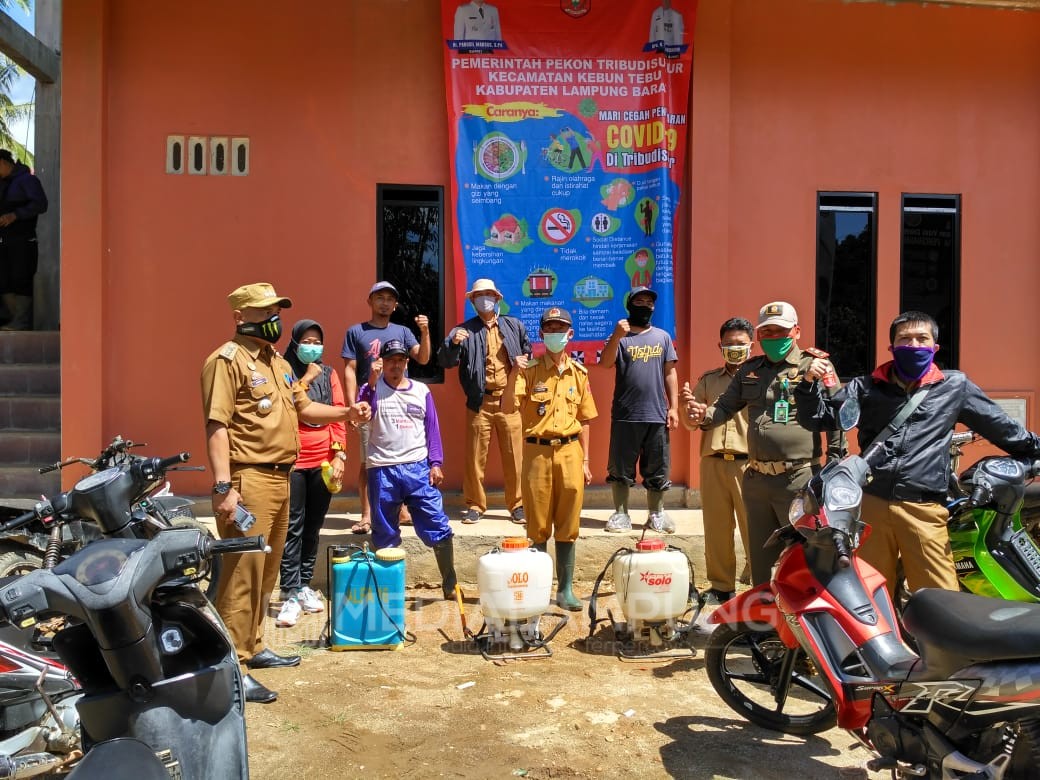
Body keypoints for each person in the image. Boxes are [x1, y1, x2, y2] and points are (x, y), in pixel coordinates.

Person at [201, 282, 370, 704]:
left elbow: (304, 408)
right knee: (241, 574)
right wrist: (223, 487)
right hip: (247, 479)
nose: (274, 318)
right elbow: (217, 426)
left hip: (281, 478)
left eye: (276, 309)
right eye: (265, 311)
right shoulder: (227, 361)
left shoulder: (276, 362)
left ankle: (255, 646)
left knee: (268, 570)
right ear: (240, 316)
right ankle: (232, 669)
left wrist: (346, 413)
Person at [796, 310, 1040, 597]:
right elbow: (819, 419)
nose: (913, 345)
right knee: (873, 595)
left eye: (921, 339)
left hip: (923, 509)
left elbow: (1005, 430)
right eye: (905, 339)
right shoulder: (866, 388)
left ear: (934, 347)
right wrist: (808, 385)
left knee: (941, 598)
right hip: (871, 505)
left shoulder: (955, 387)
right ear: (892, 347)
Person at [683, 301, 844, 587]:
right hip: (756, 479)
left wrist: (834, 466)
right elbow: (723, 409)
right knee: (761, 558)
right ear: (759, 337)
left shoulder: (815, 365)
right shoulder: (750, 370)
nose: (773, 338)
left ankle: (806, 622)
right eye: (767, 332)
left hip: (798, 479)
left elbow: (837, 417)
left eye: (780, 331)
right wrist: (702, 415)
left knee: (806, 555)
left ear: (796, 331)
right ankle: (761, 626)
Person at [502, 307, 598, 612]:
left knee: (568, 522)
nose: (555, 333)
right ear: (542, 334)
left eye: (561, 328)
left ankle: (566, 589)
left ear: (570, 335)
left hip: (571, 452)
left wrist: (585, 461)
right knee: (538, 524)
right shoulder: (529, 371)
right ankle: (539, 588)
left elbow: (585, 419)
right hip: (537, 452)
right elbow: (507, 407)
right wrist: (512, 373)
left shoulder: (580, 374)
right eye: (550, 328)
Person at [359, 339, 457, 599]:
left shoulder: (421, 391)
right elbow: (362, 413)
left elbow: (432, 430)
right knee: (384, 531)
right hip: (382, 469)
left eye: (400, 360)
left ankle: (450, 582)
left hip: (417, 468)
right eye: (390, 360)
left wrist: (436, 463)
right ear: (383, 362)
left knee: (437, 523)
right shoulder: (372, 388)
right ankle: (388, 588)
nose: (395, 365)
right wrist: (371, 381)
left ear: (406, 362)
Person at [438, 278, 531, 525]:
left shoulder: (514, 326)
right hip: (479, 402)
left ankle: (518, 505)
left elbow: (527, 353)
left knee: (515, 458)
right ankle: (475, 505)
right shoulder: (463, 330)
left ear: (497, 298)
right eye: (479, 295)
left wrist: (523, 361)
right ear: (472, 300)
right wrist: (453, 343)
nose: (484, 298)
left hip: (509, 401)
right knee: (475, 458)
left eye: (489, 294)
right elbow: (445, 361)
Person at [341, 281, 431, 534]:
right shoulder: (356, 332)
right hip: (369, 403)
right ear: (370, 301)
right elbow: (349, 369)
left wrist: (424, 332)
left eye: (389, 299)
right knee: (369, 461)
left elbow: (422, 358)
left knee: (401, 456)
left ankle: (401, 509)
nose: (385, 303)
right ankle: (367, 514)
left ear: (395, 305)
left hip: (400, 404)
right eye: (379, 298)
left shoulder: (402, 331)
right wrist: (351, 406)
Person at [275, 319, 348, 629]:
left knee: (314, 525)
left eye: (317, 340)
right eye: (306, 340)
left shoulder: (330, 374)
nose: (312, 346)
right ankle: (288, 592)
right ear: (294, 342)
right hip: (292, 460)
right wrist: (306, 376)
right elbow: (288, 404)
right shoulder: (282, 370)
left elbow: (339, 414)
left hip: (323, 462)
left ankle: (304, 585)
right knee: (292, 525)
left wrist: (340, 453)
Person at [599, 287, 679, 535]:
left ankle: (656, 514)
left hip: (656, 414)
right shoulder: (620, 337)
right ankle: (621, 514)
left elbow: (670, 372)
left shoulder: (662, 337)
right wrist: (616, 335)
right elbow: (605, 363)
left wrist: (674, 407)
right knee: (620, 468)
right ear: (629, 305)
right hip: (625, 414)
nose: (644, 305)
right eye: (639, 301)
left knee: (657, 467)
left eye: (649, 302)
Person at [686, 318, 754, 605]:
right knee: (717, 530)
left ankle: (759, 588)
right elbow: (692, 423)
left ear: (751, 346)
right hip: (713, 463)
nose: (735, 349)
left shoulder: (760, 379)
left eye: (740, 344)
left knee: (755, 528)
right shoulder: (708, 380)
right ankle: (722, 587)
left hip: (749, 465)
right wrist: (691, 413)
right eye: (729, 344)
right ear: (720, 346)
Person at [0, 149, 48, 331]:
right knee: (3, 279)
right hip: (3, 240)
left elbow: (41, 204)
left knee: (20, 278)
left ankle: (21, 321)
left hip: (23, 240)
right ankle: (11, 318)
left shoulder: (27, 180)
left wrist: (16, 215)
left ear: (3, 162)